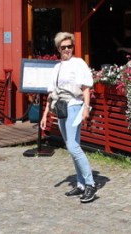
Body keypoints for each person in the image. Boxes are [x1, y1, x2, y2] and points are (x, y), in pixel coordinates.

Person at [40, 32, 97, 204]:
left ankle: (90, 184)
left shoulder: (78, 63)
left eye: (69, 46)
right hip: (61, 108)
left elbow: (86, 87)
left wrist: (86, 107)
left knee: (73, 147)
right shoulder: (57, 68)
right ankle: (80, 184)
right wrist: (45, 114)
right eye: (63, 47)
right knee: (71, 145)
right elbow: (52, 93)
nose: (67, 50)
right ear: (58, 49)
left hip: (75, 106)